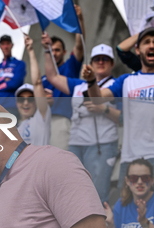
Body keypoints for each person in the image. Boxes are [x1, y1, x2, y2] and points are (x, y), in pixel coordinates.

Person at [86, 27, 154, 197]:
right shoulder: (126, 80)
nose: (151, 45)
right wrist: (91, 82)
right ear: (137, 49)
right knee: (127, 220)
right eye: (146, 42)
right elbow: (97, 99)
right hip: (130, 160)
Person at [44, 41, 121, 203]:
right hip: (76, 145)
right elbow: (52, 76)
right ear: (91, 63)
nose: (100, 62)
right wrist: (46, 50)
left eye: (105, 59)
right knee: (72, 193)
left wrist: (104, 109)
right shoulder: (78, 85)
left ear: (112, 63)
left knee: (97, 195)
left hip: (102, 145)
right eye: (97, 59)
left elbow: (123, 119)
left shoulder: (117, 85)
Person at [40, 4, 85, 150]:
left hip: (62, 121)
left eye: (57, 50)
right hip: (41, 123)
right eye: (51, 50)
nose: (54, 53)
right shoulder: (43, 78)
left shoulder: (70, 67)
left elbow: (80, 46)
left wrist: (79, 20)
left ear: (65, 52)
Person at [16, 35, 51, 146]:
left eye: (30, 99)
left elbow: (37, 83)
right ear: (17, 103)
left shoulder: (41, 118)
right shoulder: (16, 129)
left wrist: (31, 51)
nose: (25, 103)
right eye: (22, 99)